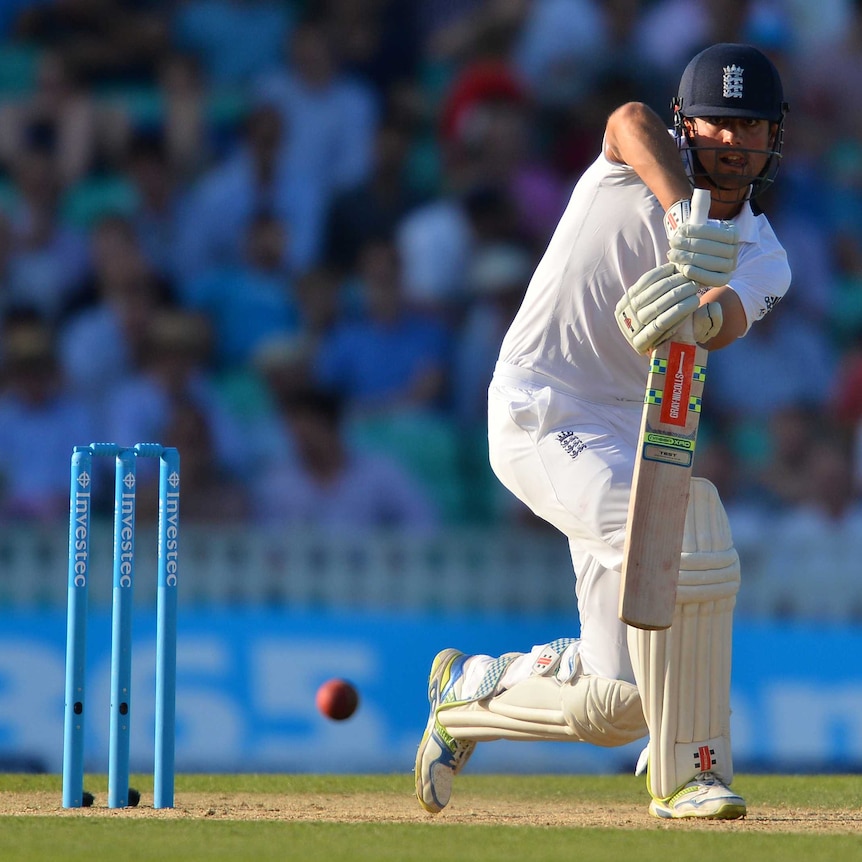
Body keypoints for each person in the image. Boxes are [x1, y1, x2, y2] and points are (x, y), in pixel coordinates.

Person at [414, 43, 790, 820]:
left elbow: (726, 317)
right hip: (540, 408)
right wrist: (682, 213)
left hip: (630, 435)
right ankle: (691, 769)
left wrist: (700, 312)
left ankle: (462, 696)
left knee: (615, 701)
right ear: (688, 125)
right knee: (690, 523)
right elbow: (625, 120)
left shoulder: (766, 253)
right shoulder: (634, 165)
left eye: (749, 126)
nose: (732, 141)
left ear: (772, 138)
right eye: (717, 123)